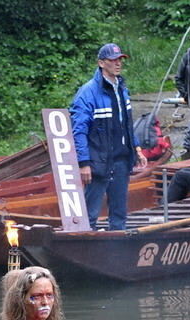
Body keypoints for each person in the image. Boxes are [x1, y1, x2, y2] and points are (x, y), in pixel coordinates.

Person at [70, 43, 149, 231]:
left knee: (119, 215)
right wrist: (84, 163)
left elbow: (127, 124)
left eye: (120, 59)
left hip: (121, 160)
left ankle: (117, 253)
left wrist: (136, 148)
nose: (118, 63)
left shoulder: (121, 88)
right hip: (98, 163)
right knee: (89, 216)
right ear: (101, 63)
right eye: (113, 60)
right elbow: (78, 131)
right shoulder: (87, 93)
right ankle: (86, 248)